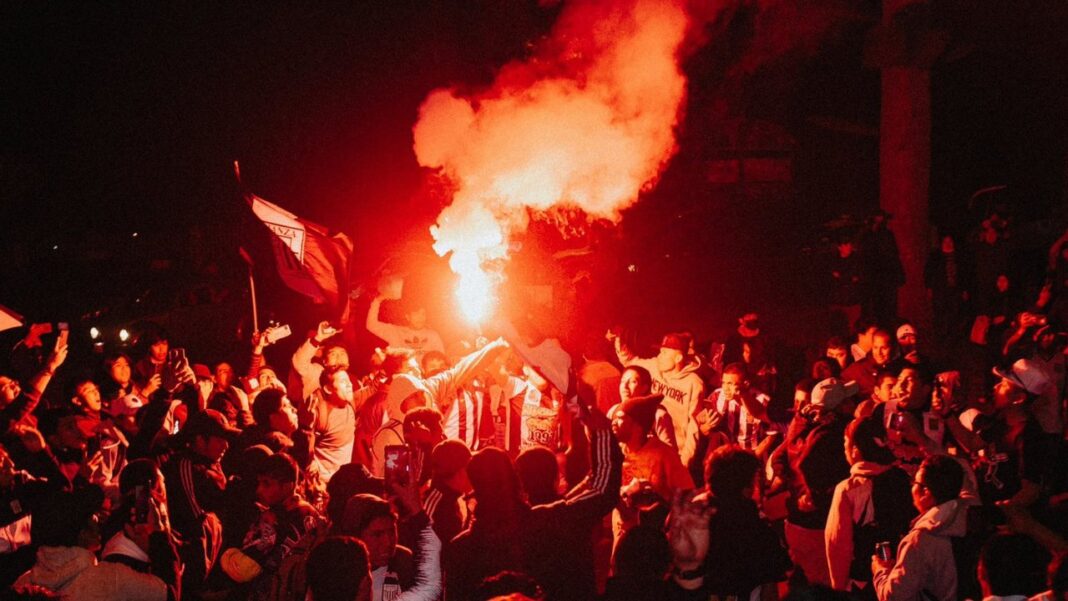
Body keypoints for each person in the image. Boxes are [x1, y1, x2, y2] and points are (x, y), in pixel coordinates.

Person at [445, 408, 622, 601]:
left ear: (474, 489)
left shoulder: (460, 549)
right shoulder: (552, 521)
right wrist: (601, 433)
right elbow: (603, 492)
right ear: (516, 482)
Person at [15, 486, 179, 601]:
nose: (98, 521)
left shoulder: (23, 584)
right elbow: (168, 595)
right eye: (92, 515)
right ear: (79, 532)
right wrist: (158, 539)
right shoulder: (112, 579)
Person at [825, 416, 916, 592]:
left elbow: (838, 544)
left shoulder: (848, 489)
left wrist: (838, 589)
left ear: (856, 450)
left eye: (846, 444)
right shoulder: (904, 479)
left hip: (863, 581)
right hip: (903, 575)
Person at [221, 453, 322, 600]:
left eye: (267, 484)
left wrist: (227, 555)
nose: (259, 490)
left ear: (288, 486)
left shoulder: (271, 520)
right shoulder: (313, 514)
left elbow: (243, 570)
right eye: (260, 483)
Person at [871, 454, 966, 601]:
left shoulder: (920, 540)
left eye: (914, 482)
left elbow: (894, 596)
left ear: (926, 492)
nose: (912, 487)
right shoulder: (968, 520)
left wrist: (881, 571)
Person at [701, 446, 790, 598]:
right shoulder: (758, 529)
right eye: (754, 481)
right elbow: (769, 591)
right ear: (745, 489)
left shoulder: (688, 516)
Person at [609, 331, 703, 466]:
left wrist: (684, 461)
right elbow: (629, 361)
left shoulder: (694, 383)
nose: (659, 356)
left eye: (664, 353)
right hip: (651, 448)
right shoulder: (654, 366)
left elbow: (694, 426)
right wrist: (619, 339)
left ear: (678, 358)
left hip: (677, 452)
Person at [366, 290, 445, 361]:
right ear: (408, 317)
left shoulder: (433, 335)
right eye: (416, 314)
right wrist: (378, 300)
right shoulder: (395, 332)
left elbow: (442, 359)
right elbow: (371, 325)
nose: (420, 317)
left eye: (423, 314)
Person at [842, 329, 895, 397]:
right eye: (875, 347)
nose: (879, 352)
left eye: (884, 348)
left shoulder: (897, 368)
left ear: (892, 348)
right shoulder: (857, 369)